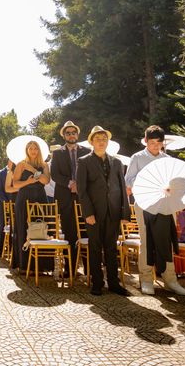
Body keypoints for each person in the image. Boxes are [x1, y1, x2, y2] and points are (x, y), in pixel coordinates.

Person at [126, 125, 185, 296]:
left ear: (162, 143)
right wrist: (145, 178)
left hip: (166, 203)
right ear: (145, 141)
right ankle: (146, 279)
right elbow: (128, 181)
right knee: (146, 241)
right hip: (145, 204)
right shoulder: (137, 158)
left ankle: (170, 280)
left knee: (167, 240)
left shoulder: (167, 159)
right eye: (151, 142)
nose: (155, 146)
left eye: (158, 143)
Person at [77, 126, 130, 296]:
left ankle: (114, 283)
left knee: (111, 248)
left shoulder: (116, 162)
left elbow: (122, 188)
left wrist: (124, 213)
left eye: (104, 139)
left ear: (108, 142)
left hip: (113, 212)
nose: (101, 141)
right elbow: (82, 190)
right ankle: (97, 283)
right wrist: (88, 213)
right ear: (91, 142)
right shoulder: (84, 161)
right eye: (98, 139)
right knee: (94, 248)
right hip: (94, 212)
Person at [50, 120, 90, 277]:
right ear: (64, 135)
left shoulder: (87, 151)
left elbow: (91, 173)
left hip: (84, 198)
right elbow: (55, 174)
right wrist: (69, 183)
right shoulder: (57, 153)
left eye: (73, 132)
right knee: (70, 233)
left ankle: (88, 268)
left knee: (86, 233)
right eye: (68, 133)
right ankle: (70, 269)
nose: (71, 135)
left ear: (77, 134)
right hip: (65, 198)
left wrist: (79, 184)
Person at [11, 141, 51, 274]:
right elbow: (15, 184)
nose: (33, 151)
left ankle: (41, 266)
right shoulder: (21, 164)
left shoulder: (44, 165)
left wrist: (34, 171)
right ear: (27, 150)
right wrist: (28, 181)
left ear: (39, 150)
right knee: (23, 229)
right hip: (24, 198)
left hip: (40, 198)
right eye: (30, 149)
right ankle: (24, 264)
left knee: (41, 229)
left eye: (35, 148)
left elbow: (46, 181)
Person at [0, 159, 17, 257]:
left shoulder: (18, 171)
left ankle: (13, 249)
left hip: (16, 202)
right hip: (4, 203)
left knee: (14, 226)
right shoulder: (0, 173)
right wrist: (6, 202)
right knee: (2, 225)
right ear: (8, 161)